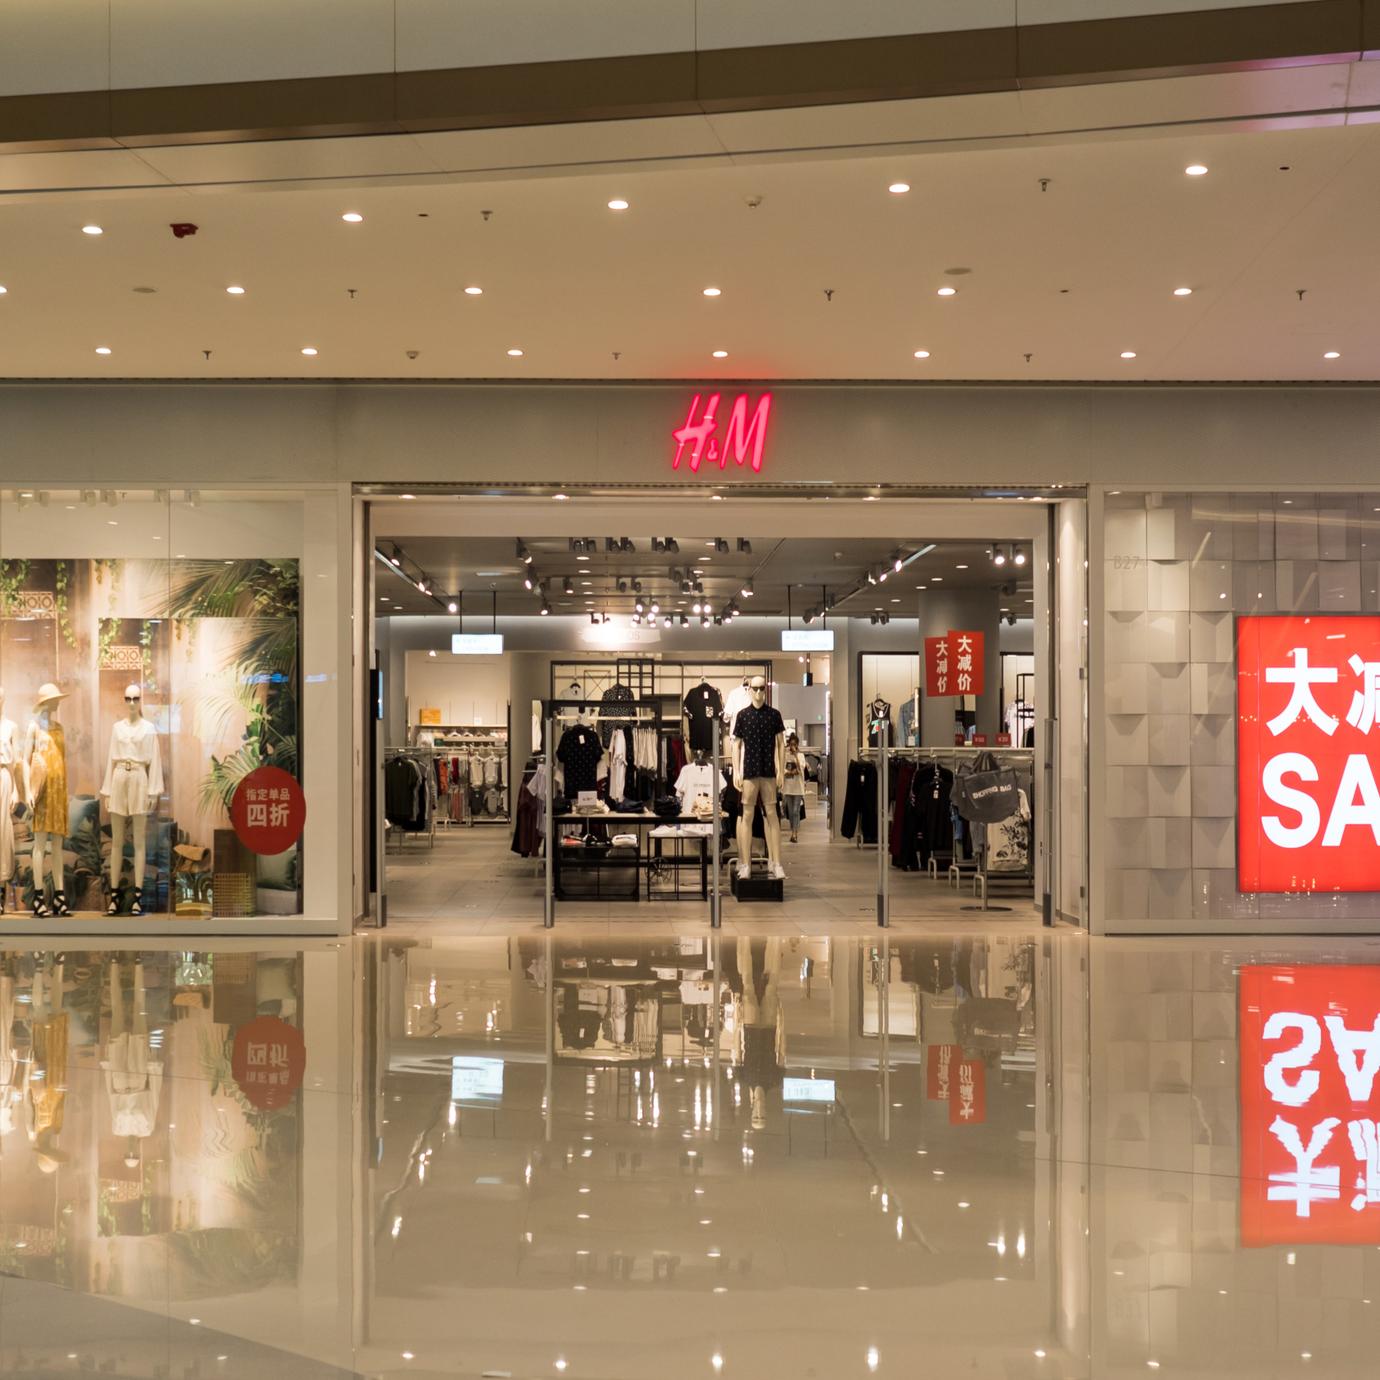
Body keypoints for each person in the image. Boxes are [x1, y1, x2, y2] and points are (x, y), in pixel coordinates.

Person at [782, 732, 807, 843]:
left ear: (797, 745)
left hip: (798, 788)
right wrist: (788, 772)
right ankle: (793, 830)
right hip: (788, 788)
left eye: (794, 744)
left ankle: (794, 833)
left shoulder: (801, 756)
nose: (792, 746)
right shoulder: (785, 755)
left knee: (796, 811)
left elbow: (801, 769)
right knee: (791, 812)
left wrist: (796, 756)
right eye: (791, 744)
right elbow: (782, 769)